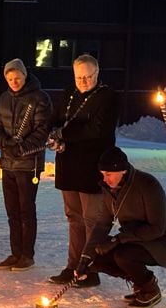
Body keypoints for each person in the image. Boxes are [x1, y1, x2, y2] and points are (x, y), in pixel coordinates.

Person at [76, 147, 166, 308]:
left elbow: (156, 228)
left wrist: (117, 240)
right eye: (103, 174)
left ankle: (150, 289)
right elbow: (102, 224)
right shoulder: (110, 190)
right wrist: (85, 258)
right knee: (96, 259)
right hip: (133, 239)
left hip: (162, 240)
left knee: (123, 256)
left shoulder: (147, 185)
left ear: (122, 171)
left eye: (109, 174)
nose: (105, 179)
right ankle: (140, 283)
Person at [47, 54, 119, 286]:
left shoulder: (108, 97)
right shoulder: (68, 93)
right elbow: (56, 119)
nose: (84, 82)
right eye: (80, 77)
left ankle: (91, 268)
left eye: (88, 77)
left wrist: (64, 135)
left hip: (92, 166)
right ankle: (73, 266)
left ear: (97, 74)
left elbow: (97, 129)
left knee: (92, 220)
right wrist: (53, 135)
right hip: (68, 164)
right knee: (74, 218)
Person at [0, 58, 52, 270]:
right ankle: (15, 252)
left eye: (17, 78)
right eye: (10, 78)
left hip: (28, 164)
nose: (14, 81)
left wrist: (20, 148)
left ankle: (27, 254)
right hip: (8, 163)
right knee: (12, 212)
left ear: (25, 76)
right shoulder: (4, 98)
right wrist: (4, 143)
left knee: (26, 210)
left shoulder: (39, 98)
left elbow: (42, 131)